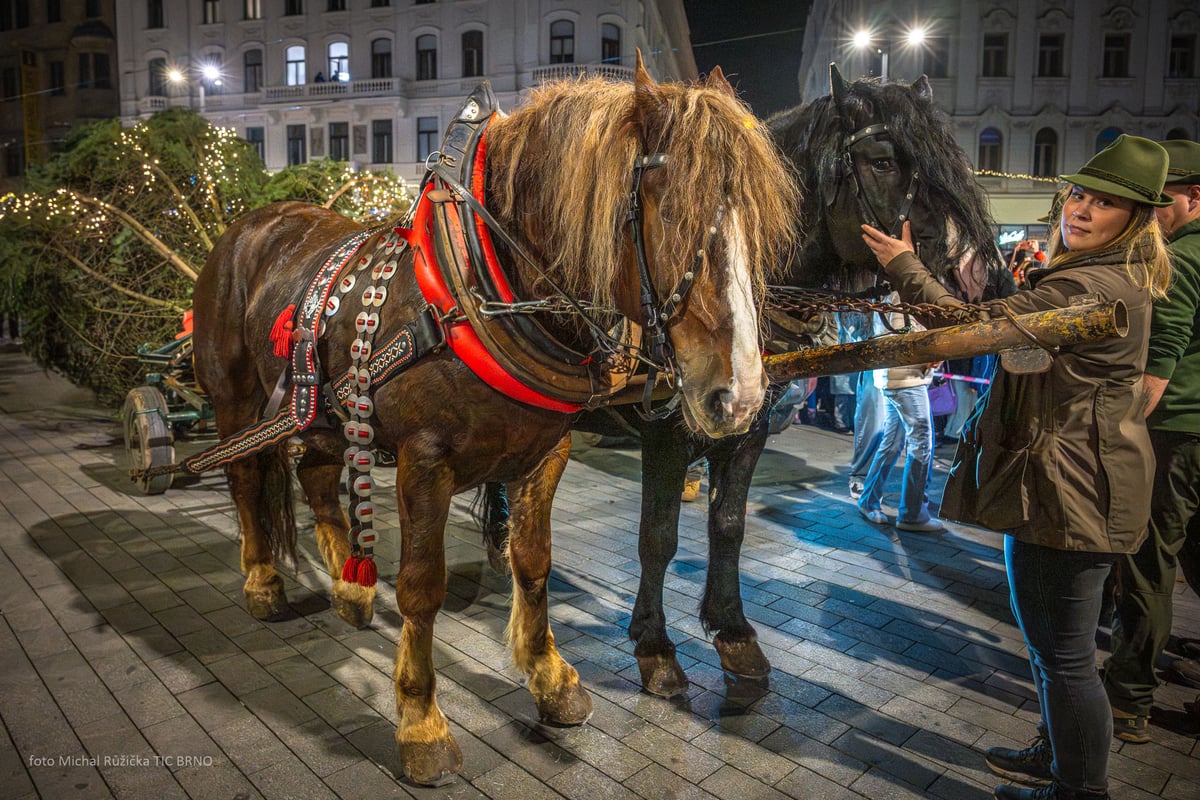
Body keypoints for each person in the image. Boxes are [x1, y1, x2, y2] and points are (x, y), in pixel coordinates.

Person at [861, 134, 1173, 800]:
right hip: (1075, 480)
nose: (1083, 211)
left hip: (1068, 490)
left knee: (1064, 659)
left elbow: (965, 329)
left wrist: (905, 265)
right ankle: (1055, 755)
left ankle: (1077, 788)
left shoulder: (1088, 285)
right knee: (1053, 652)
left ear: (1135, 219)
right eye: (1082, 195)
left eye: (1106, 204)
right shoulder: (1102, 276)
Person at [1102, 138, 1200, 743]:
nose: (1152, 214)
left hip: (1174, 430)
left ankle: (1128, 698)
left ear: (1193, 197)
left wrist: (1118, 435)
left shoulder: (1183, 259)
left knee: (1146, 562)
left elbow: (1158, 363)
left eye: (1160, 201)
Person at [857, 294, 943, 531]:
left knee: (892, 443)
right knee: (921, 442)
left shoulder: (890, 295)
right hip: (905, 379)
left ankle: (868, 500)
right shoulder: (900, 296)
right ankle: (913, 513)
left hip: (896, 378)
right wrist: (931, 353)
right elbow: (899, 343)